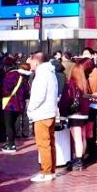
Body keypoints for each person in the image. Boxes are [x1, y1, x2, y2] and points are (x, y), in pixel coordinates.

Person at [26, 52, 60, 183]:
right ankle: (50, 170)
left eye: (30, 61)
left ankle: (46, 171)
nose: (29, 64)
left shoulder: (41, 75)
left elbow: (38, 96)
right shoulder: (51, 73)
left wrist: (30, 108)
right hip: (50, 111)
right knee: (50, 143)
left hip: (41, 113)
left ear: (36, 61)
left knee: (43, 144)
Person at [60, 58, 95, 171]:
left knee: (77, 138)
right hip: (84, 113)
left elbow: (65, 100)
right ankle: (80, 159)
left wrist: (63, 113)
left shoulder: (71, 84)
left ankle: (78, 160)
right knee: (83, 137)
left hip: (74, 114)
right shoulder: (84, 83)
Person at [0, 60, 31, 153]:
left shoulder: (9, 76)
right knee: (12, 124)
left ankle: (11, 144)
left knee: (9, 125)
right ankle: (11, 142)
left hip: (9, 104)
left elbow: (5, 90)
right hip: (20, 105)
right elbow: (27, 93)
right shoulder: (23, 78)